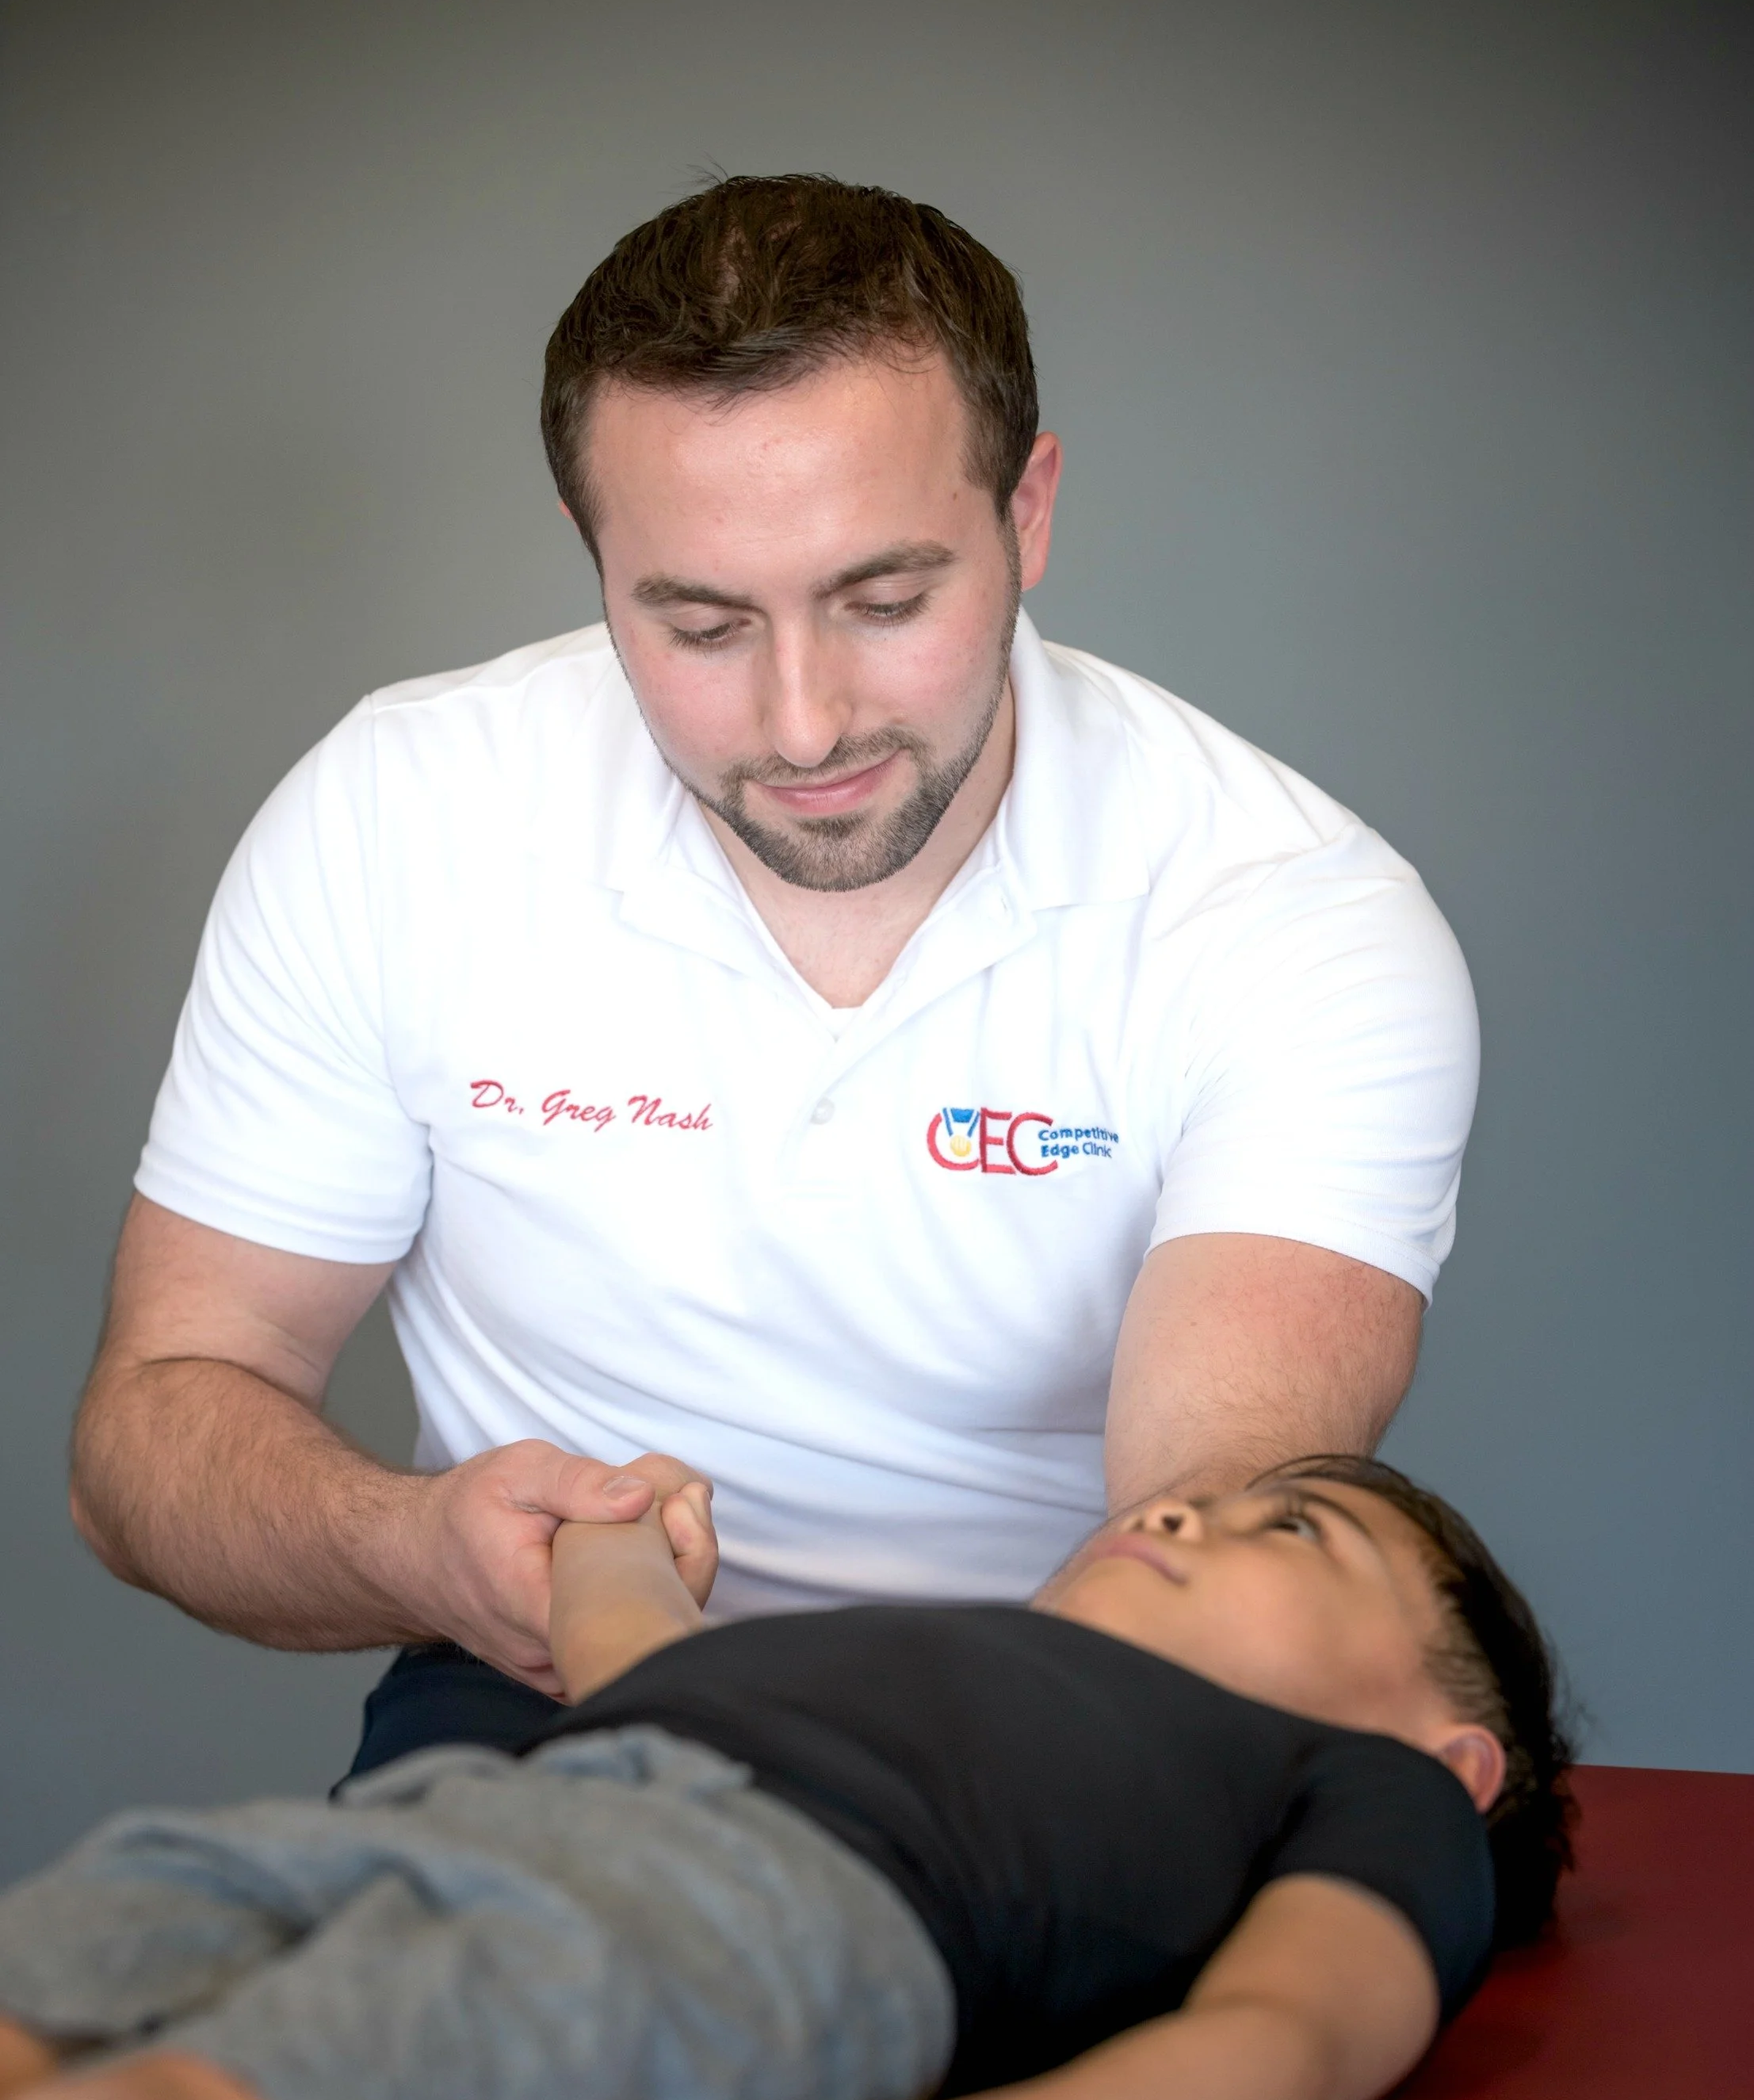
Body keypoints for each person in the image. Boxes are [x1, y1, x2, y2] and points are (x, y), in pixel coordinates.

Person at [68, 174, 1479, 1698]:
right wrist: (420, 1551)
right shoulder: (394, 814)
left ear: (1029, 511)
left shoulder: (1293, 920)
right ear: (592, 551)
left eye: (883, 598)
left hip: (1071, 1701)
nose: (803, 725)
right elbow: (153, 1428)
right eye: (701, 625)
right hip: (526, 1694)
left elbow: (1200, 1552)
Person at [0, 1455, 1572, 2100]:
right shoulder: (918, 1655)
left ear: (1450, 1747)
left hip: (740, 1922)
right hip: (467, 1815)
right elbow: (628, 1638)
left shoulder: (1376, 1790)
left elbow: (1283, 2040)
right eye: (1196, 1497)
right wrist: (607, 1517)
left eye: (1289, 1526)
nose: (1177, 1511)